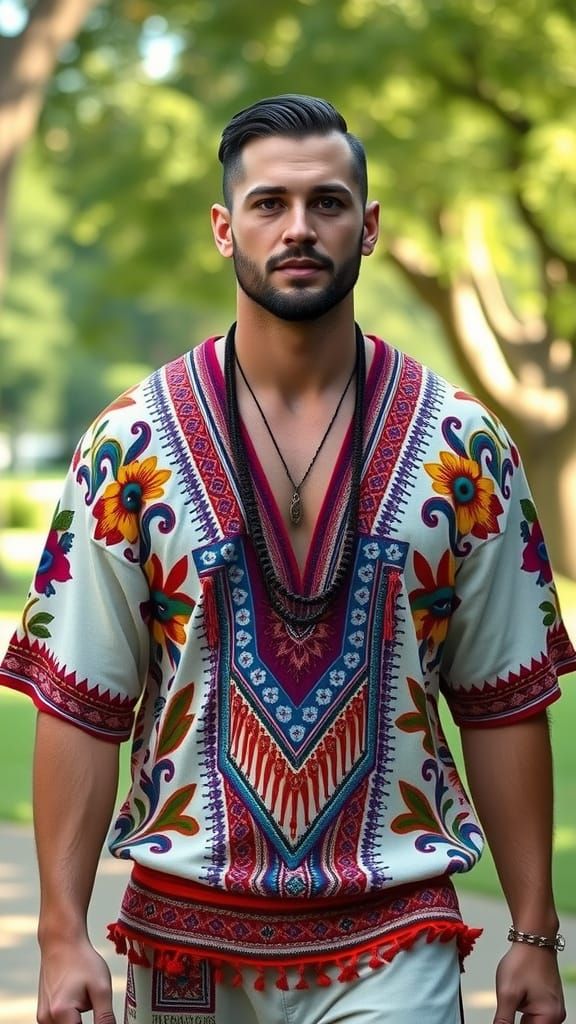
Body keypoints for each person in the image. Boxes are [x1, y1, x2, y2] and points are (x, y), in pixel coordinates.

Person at [1, 94, 574, 1024]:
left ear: (370, 225)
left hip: (398, 926)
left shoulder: (466, 446)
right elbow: (82, 697)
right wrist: (63, 937)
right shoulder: (128, 448)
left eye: (328, 203)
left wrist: (534, 935)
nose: (298, 227)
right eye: (269, 204)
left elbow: (503, 697)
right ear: (225, 229)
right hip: (185, 938)